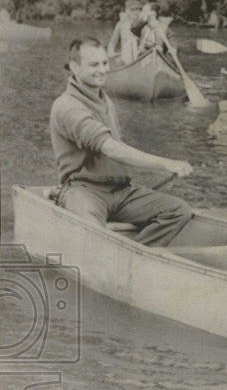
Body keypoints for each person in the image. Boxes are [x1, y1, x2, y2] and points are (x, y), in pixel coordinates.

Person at [49, 38, 194, 246]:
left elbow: (116, 148)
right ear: (74, 67)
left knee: (179, 211)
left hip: (121, 191)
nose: (103, 70)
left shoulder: (104, 99)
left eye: (105, 63)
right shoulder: (68, 107)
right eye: (94, 65)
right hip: (85, 191)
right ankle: (117, 259)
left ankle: (137, 255)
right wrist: (166, 163)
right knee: (94, 234)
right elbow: (111, 148)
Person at [107, 0, 144, 64]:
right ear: (127, 11)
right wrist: (111, 52)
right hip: (125, 57)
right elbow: (113, 42)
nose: (136, 12)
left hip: (140, 57)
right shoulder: (121, 24)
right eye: (132, 9)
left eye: (138, 9)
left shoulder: (143, 24)